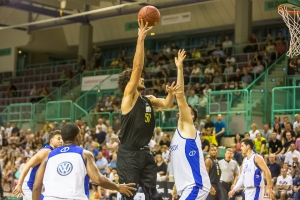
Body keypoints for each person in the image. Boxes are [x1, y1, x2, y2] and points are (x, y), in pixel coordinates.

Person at [116, 20, 180, 200]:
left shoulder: (148, 100)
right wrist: (140, 39)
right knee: (129, 194)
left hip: (145, 153)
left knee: (154, 194)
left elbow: (167, 104)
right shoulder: (129, 97)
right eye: (138, 78)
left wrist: (171, 94)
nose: (142, 78)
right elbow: (137, 67)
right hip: (129, 153)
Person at [32, 124, 135, 200]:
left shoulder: (49, 156)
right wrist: (117, 187)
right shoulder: (84, 154)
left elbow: (37, 186)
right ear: (78, 137)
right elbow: (98, 179)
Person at [170, 49, 212, 200]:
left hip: (195, 186)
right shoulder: (177, 134)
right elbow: (180, 163)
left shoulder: (188, 127)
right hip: (186, 187)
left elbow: (180, 94)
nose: (184, 109)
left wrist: (180, 68)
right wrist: (176, 186)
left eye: (189, 111)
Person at [13, 130, 63, 199]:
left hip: (36, 185)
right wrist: (19, 184)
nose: (61, 141)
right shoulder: (46, 151)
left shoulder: (53, 152)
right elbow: (27, 165)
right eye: (58, 138)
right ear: (51, 141)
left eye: (62, 139)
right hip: (30, 185)